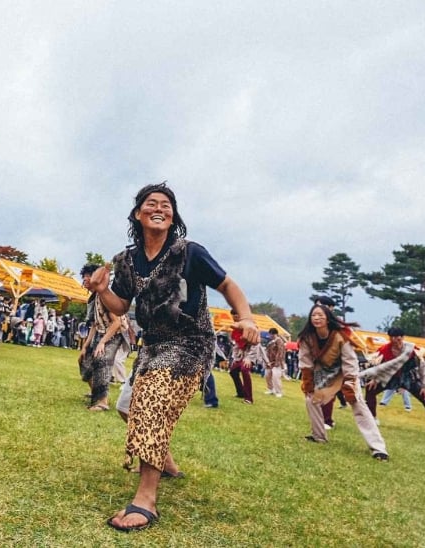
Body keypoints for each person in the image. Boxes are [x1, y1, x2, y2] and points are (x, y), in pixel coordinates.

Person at [88, 182, 260, 533]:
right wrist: (102, 290)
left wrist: (246, 317)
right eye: (151, 203)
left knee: (151, 401)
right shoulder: (128, 261)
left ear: (173, 215)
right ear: (138, 213)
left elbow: (228, 285)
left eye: (166, 204)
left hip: (190, 343)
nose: (159, 208)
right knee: (127, 407)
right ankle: (164, 460)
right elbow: (120, 306)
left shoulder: (190, 253)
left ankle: (145, 500)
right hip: (152, 345)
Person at [298, 304, 389, 460]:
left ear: (328, 318)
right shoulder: (307, 338)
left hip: (345, 372)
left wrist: (349, 383)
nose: (317, 318)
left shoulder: (340, 336)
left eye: (320, 315)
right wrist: (308, 380)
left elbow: (350, 360)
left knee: (358, 404)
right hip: (325, 373)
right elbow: (305, 360)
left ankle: (378, 448)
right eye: (314, 315)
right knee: (311, 399)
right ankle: (319, 436)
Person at [360, 327, 425, 440]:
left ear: (403, 338)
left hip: (408, 377)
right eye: (393, 338)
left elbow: (423, 368)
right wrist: (375, 379)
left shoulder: (412, 349)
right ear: (390, 338)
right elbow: (379, 366)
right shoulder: (384, 349)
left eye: (399, 338)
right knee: (370, 389)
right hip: (390, 377)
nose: (397, 341)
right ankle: (373, 419)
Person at [79, 263, 124, 411]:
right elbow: (94, 324)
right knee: (84, 360)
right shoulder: (94, 297)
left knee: (101, 359)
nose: (85, 279)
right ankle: (96, 392)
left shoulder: (105, 295)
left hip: (116, 333)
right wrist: (85, 346)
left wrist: (102, 342)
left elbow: (117, 323)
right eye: (84, 276)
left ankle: (102, 402)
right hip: (101, 331)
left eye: (88, 276)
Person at [264, 327, 286, 398]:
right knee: (267, 375)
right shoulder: (271, 341)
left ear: (274, 334)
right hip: (269, 361)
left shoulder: (279, 341)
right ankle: (270, 389)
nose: (269, 336)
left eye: (270, 334)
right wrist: (267, 361)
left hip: (277, 362)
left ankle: (278, 392)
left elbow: (280, 352)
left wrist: (277, 362)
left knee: (276, 377)